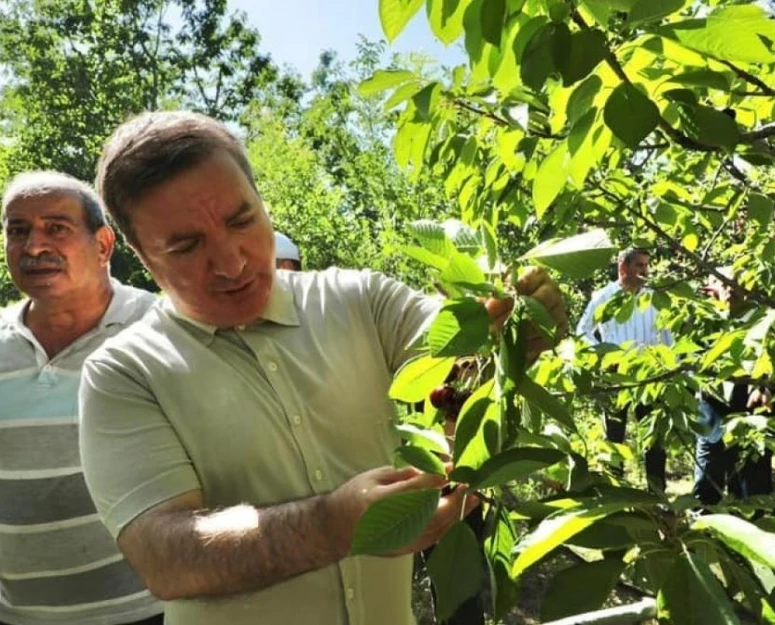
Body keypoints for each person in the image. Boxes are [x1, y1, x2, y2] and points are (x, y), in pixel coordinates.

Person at [78, 110, 567, 624]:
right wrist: (333, 527)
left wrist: (513, 324)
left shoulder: (361, 302)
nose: (231, 263)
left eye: (241, 220)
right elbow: (165, 558)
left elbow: (459, 359)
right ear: (138, 253)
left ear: (261, 201)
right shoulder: (123, 373)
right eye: (186, 246)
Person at [0, 172, 161, 625]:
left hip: (147, 611)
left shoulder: (161, 328)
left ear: (103, 245)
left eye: (56, 228)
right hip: (9, 615)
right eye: (17, 230)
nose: (34, 246)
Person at [575, 248, 673, 493]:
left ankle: (657, 493)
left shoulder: (654, 296)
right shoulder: (604, 296)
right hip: (616, 376)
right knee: (615, 436)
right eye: (639, 266)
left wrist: (670, 367)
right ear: (623, 267)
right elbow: (582, 331)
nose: (644, 271)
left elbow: (667, 334)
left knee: (654, 436)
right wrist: (604, 354)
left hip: (651, 376)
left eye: (646, 265)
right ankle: (614, 492)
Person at [693, 272, 775, 506]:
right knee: (706, 488)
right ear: (712, 287)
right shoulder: (702, 320)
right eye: (724, 282)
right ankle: (703, 536)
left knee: (752, 492)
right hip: (712, 417)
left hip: (753, 416)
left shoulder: (766, 321)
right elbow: (689, 360)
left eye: (737, 283)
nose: (732, 289)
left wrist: (766, 386)